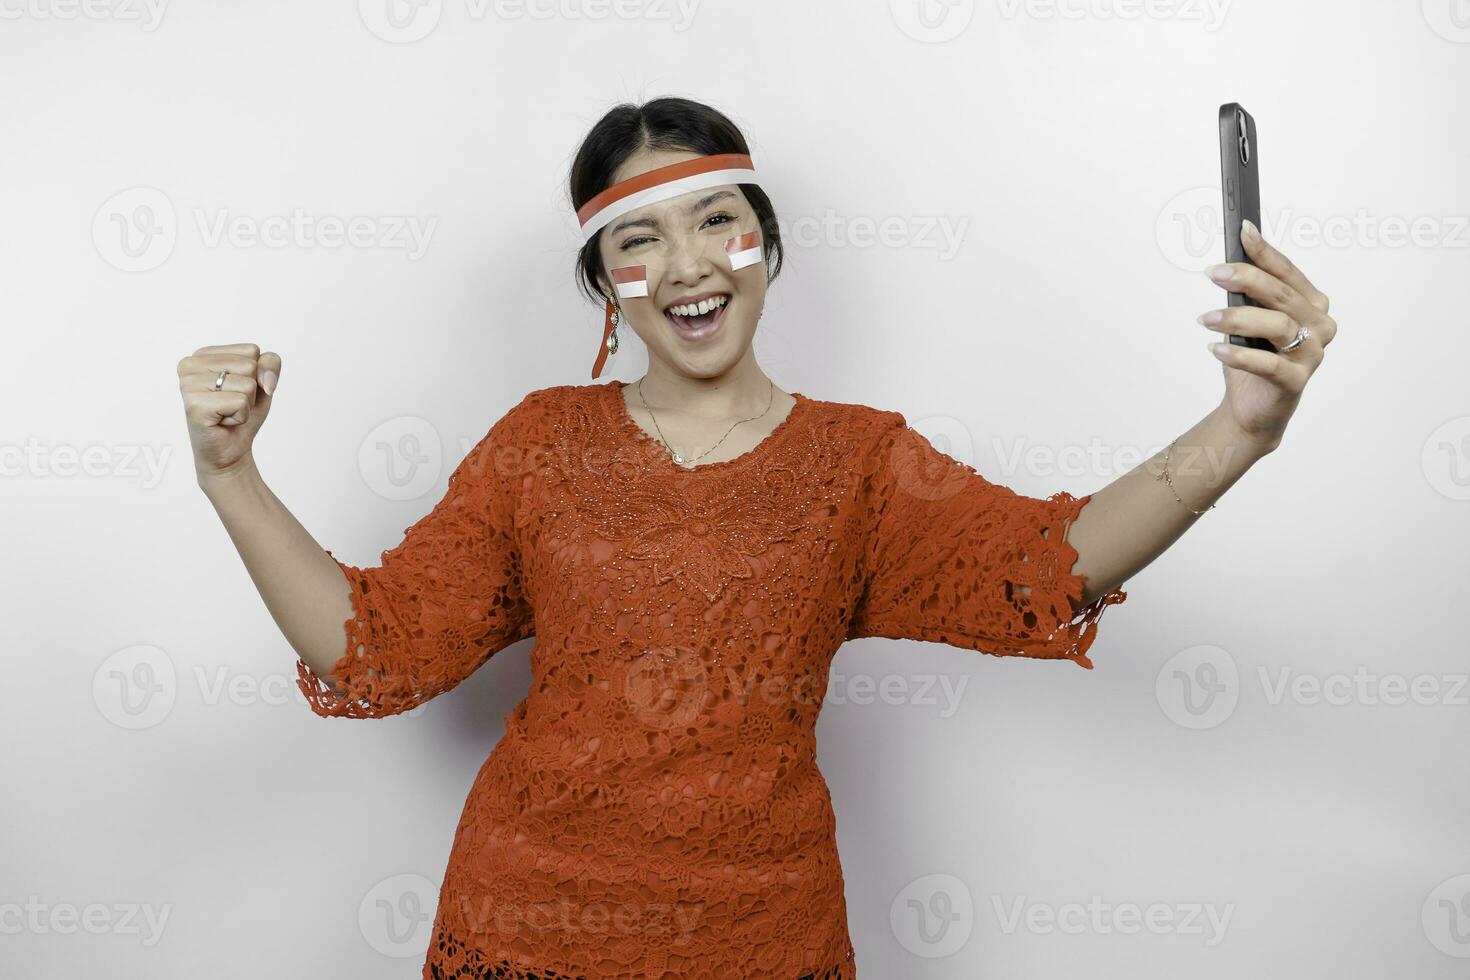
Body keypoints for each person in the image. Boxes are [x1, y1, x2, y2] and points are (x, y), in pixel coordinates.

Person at [176, 96, 1335, 978]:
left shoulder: (861, 462)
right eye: (638, 238)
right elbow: (377, 651)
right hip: (523, 924)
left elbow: (1051, 562)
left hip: (765, 935)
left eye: (715, 220)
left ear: (764, 245)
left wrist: (1243, 429)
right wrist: (231, 476)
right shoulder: (538, 444)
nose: (683, 263)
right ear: (606, 283)